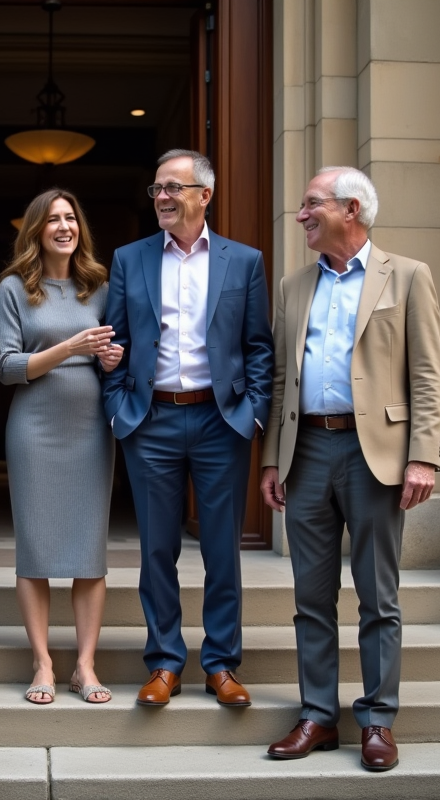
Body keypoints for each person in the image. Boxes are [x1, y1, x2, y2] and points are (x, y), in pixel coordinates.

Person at [260, 166, 440, 772]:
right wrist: (272, 460)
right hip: (307, 452)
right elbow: (283, 380)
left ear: (352, 210)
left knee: (377, 596)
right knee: (311, 597)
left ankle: (378, 721)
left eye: (312, 204)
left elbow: (426, 375)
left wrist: (422, 455)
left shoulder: (408, 276)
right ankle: (317, 715)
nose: (301, 215)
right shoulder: (293, 286)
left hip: (377, 458)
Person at [102, 149, 274, 708]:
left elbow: (257, 347)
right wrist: (117, 406)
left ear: (205, 194)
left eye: (174, 188)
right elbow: (116, 340)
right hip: (149, 420)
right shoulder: (130, 258)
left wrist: (251, 414)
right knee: (157, 550)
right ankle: (165, 662)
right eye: (157, 190)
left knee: (221, 550)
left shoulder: (243, 261)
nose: (164, 198)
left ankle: (222, 664)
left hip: (219, 420)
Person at [0, 189, 124, 705]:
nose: (64, 226)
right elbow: (6, 367)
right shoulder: (14, 289)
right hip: (34, 426)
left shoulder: (101, 286)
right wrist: (70, 347)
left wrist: (112, 361)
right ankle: (44, 663)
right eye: (53, 220)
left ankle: (85, 667)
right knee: (37, 550)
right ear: (36, 230)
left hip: (91, 427)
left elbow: (117, 355)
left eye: (72, 217)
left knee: (90, 551)